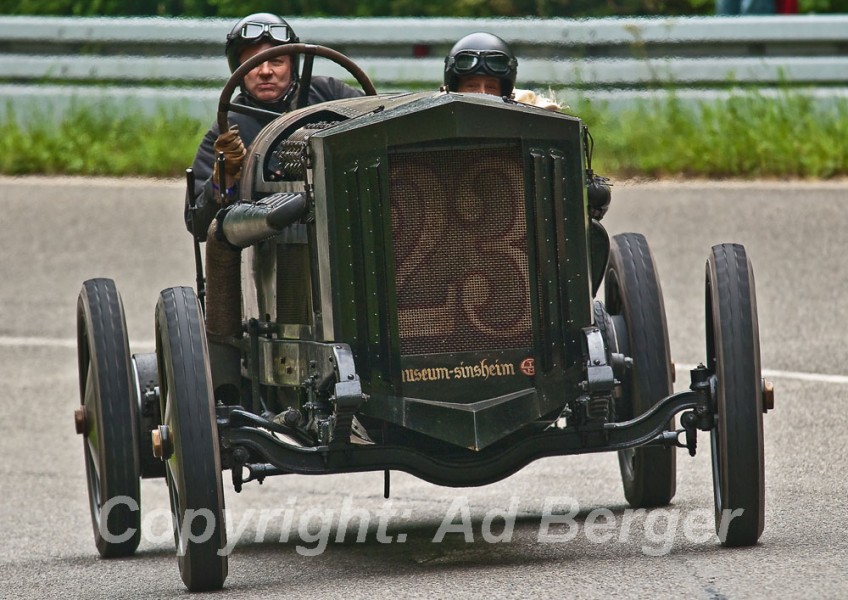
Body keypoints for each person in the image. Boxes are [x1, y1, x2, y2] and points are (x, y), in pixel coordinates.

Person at [186, 13, 363, 240]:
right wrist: (224, 178)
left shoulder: (331, 94)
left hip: (341, 235)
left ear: (292, 66)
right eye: (255, 63)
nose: (266, 71)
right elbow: (199, 226)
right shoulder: (228, 130)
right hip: (267, 254)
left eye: (276, 61)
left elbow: (376, 125)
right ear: (239, 70)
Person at [443, 32, 560, 111]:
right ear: (454, 88)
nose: (482, 94)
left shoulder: (527, 119)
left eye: (491, 87)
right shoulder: (435, 120)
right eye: (471, 85)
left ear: (504, 91)